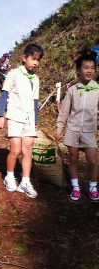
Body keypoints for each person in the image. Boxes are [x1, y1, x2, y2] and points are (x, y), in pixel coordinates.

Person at [0, 44, 44, 198]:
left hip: (29, 118)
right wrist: (1, 115)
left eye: (38, 60)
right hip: (15, 117)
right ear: (25, 58)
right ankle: (9, 176)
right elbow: (4, 94)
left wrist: (36, 119)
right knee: (16, 150)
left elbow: (36, 101)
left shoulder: (35, 79)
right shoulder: (14, 74)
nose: (35, 62)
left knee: (28, 150)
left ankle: (25, 181)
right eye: (33, 59)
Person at [56, 50, 99, 202]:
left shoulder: (97, 90)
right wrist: (59, 128)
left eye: (92, 68)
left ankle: (93, 187)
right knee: (73, 159)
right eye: (86, 67)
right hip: (73, 130)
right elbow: (65, 111)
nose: (89, 71)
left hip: (89, 131)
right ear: (79, 70)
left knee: (93, 161)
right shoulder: (72, 90)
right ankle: (76, 187)